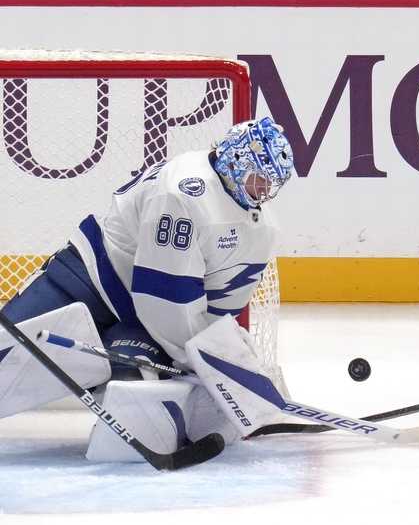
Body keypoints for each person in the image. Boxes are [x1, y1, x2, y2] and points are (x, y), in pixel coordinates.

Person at [0, 118, 295, 461]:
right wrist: (201, 361)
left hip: (142, 322)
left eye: (272, 182)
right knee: (6, 358)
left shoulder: (261, 230)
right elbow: (164, 299)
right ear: (235, 161)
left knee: (137, 395)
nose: (264, 190)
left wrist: (225, 355)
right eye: (259, 177)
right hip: (89, 282)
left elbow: (218, 306)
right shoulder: (185, 193)